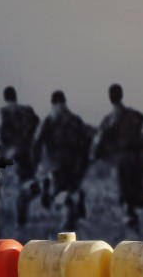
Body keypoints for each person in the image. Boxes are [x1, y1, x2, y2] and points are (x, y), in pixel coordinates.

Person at [92, 83, 143, 229]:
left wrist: (94, 155)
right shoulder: (135, 115)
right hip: (139, 158)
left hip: (123, 160)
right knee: (137, 191)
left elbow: (99, 140)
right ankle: (132, 217)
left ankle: (130, 217)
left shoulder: (110, 119)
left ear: (110, 98)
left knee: (126, 194)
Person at [32, 90, 93, 229]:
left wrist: (36, 165)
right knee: (70, 190)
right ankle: (76, 199)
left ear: (52, 103)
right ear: (65, 102)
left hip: (55, 165)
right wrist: (83, 164)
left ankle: (68, 212)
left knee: (58, 196)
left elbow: (37, 142)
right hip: (74, 165)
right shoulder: (75, 119)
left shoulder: (50, 119)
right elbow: (87, 142)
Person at [0, 86, 41, 226]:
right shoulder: (27, 109)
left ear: (5, 97)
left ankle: (21, 219)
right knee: (28, 179)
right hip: (30, 149)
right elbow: (37, 122)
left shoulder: (5, 111)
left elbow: (4, 134)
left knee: (21, 184)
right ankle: (39, 189)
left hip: (17, 151)